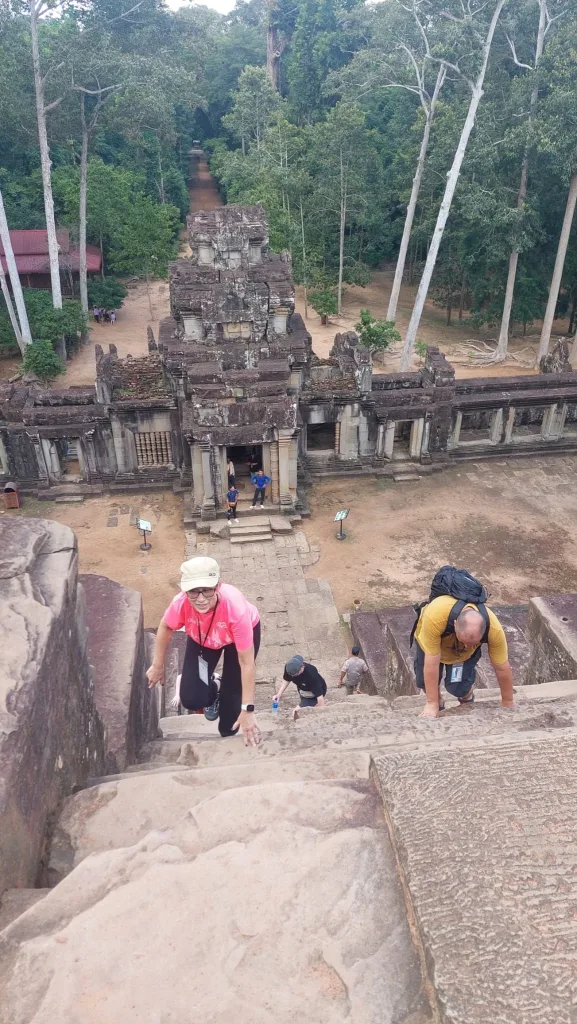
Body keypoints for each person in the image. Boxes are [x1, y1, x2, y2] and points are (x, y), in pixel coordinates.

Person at [146, 556, 262, 746]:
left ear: (218, 586)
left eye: (207, 590)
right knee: (191, 698)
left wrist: (247, 709)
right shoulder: (181, 603)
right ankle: (215, 686)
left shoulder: (235, 609)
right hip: (202, 637)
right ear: (185, 590)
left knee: (230, 714)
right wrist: (157, 665)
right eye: (193, 591)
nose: (200, 599)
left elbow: (246, 663)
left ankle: (227, 737)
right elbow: (166, 626)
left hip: (235, 639)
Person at [414, 597, 515, 719]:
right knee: (423, 681)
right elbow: (432, 664)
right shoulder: (435, 617)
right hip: (432, 642)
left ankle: (466, 696)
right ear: (455, 624)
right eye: (464, 641)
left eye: (472, 643)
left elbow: (501, 667)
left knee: (458, 687)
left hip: (461, 655)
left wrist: (508, 701)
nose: (466, 645)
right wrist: (432, 703)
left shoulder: (494, 629)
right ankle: (438, 701)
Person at [274, 654, 327, 721]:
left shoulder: (311, 673)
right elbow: (286, 679)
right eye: (301, 666)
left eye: (302, 664)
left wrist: (319, 713)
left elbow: (320, 698)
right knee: (302, 703)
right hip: (302, 689)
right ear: (295, 674)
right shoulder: (289, 668)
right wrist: (279, 694)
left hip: (312, 694)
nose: (303, 665)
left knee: (295, 712)